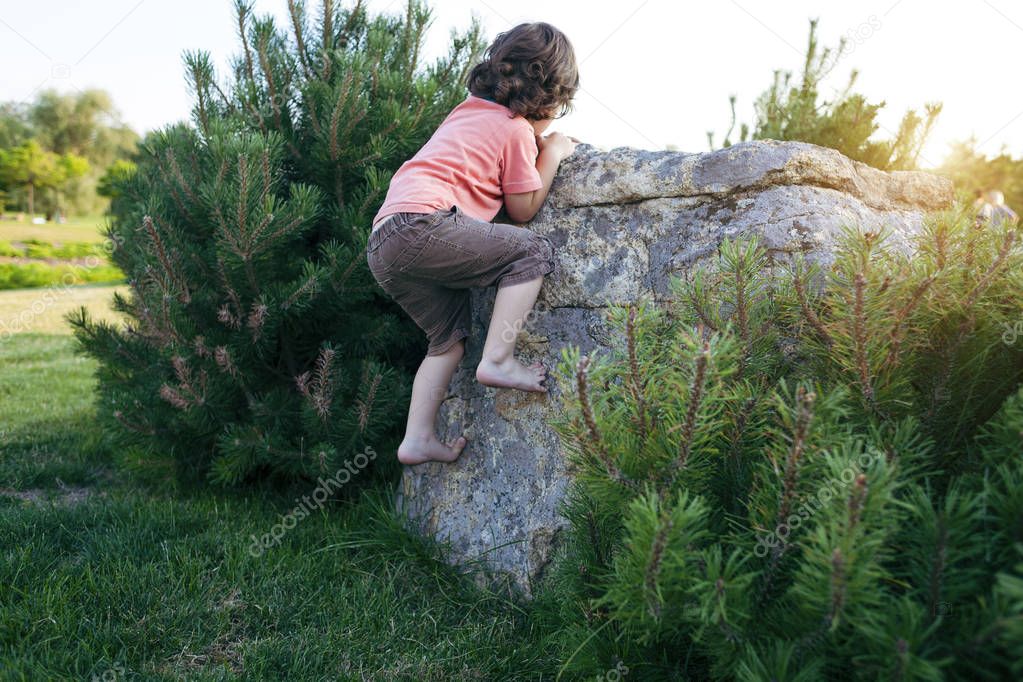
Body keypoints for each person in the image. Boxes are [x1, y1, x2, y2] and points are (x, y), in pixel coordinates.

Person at [365, 22, 580, 465]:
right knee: (533, 251)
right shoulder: (515, 129)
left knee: (447, 341)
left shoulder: (465, 112)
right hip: (424, 225)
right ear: (549, 99)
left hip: (385, 239)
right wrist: (553, 152)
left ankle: (418, 438)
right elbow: (522, 208)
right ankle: (498, 359)